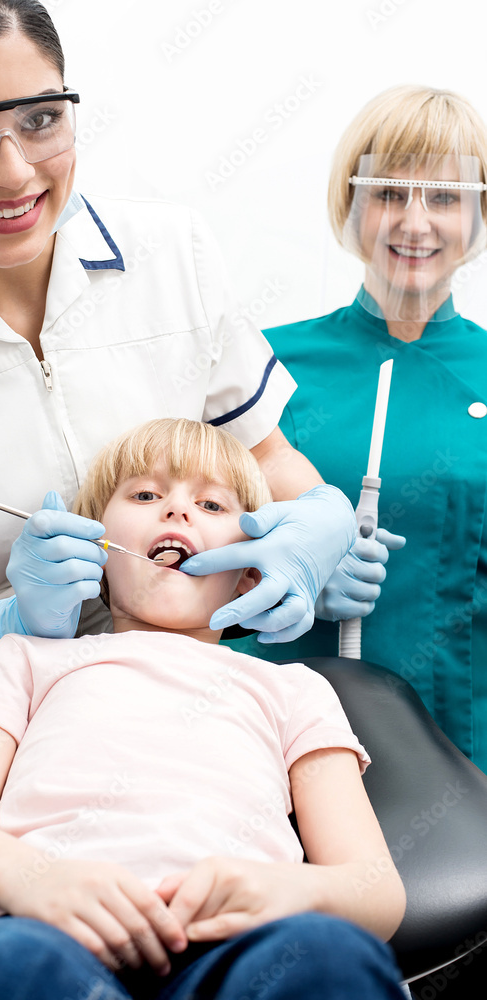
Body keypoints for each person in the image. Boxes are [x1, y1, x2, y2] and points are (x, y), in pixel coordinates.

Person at [0, 0, 355, 740]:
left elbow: (266, 455)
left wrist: (318, 521)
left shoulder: (174, 254)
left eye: (39, 120)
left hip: (167, 720)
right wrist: (7, 621)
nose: (12, 173)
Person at [0, 417, 407, 1000]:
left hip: (244, 948)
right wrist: (33, 881)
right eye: (145, 495)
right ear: (92, 546)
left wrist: (289, 892)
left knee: (331, 961)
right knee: (10, 969)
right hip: (42, 931)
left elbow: (374, 890)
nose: (176, 511)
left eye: (213, 505)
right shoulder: (26, 659)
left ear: (252, 571)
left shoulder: (294, 689)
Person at [227, 85, 487, 779]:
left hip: (460, 745)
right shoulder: (258, 368)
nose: (414, 221)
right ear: (352, 201)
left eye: (444, 197)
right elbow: (193, 556)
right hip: (266, 730)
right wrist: (294, 583)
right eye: (389, 192)